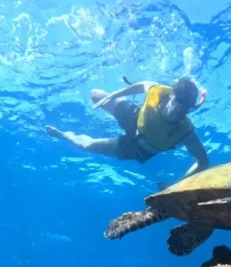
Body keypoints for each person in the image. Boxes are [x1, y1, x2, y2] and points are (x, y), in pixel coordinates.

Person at [45, 77, 210, 186]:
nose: (179, 112)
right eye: (177, 105)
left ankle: (65, 136)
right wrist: (114, 95)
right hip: (135, 118)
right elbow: (141, 86)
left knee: (89, 146)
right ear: (171, 94)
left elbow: (203, 162)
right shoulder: (158, 91)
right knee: (95, 94)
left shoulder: (186, 132)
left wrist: (175, 185)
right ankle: (109, 102)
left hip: (139, 149)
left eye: (185, 110)